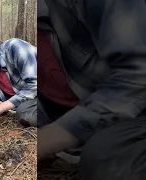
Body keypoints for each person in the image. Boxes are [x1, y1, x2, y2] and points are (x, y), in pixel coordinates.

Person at [37, 0, 146, 179]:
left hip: (136, 109)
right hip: (78, 116)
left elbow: (139, 73)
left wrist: (56, 135)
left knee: (105, 157)